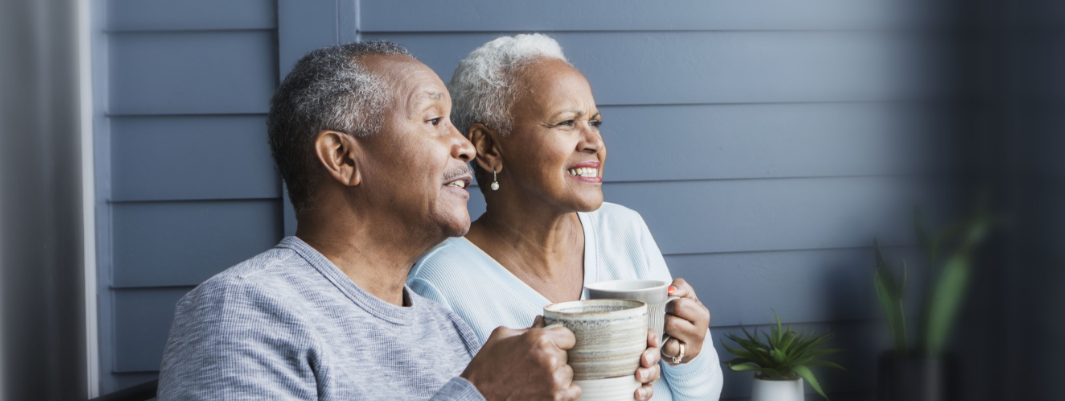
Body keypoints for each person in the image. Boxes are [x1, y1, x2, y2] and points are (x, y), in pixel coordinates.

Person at [157, 40, 664, 400]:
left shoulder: (446, 329)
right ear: (343, 158)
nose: (464, 145)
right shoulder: (246, 310)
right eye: (432, 120)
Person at [407, 34, 723, 400]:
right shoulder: (440, 285)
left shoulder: (624, 230)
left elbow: (702, 395)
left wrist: (687, 354)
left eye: (595, 122)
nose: (594, 142)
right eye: (566, 123)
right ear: (489, 148)